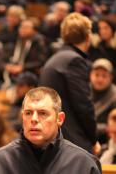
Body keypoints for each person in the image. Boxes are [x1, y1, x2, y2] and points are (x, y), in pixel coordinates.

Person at [0, 87, 101, 174]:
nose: (34, 119)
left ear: (60, 119)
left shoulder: (84, 164)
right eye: (28, 113)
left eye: (42, 113)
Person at [39, 12, 97, 153]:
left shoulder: (55, 59)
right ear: (88, 37)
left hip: (54, 139)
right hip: (70, 144)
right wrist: (93, 139)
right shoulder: (74, 61)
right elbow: (83, 106)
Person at [90, 58, 116, 144]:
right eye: (97, 75)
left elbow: (112, 127)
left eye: (104, 76)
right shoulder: (84, 90)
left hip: (105, 141)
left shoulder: (114, 96)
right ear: (91, 75)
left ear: (111, 77)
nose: (100, 79)